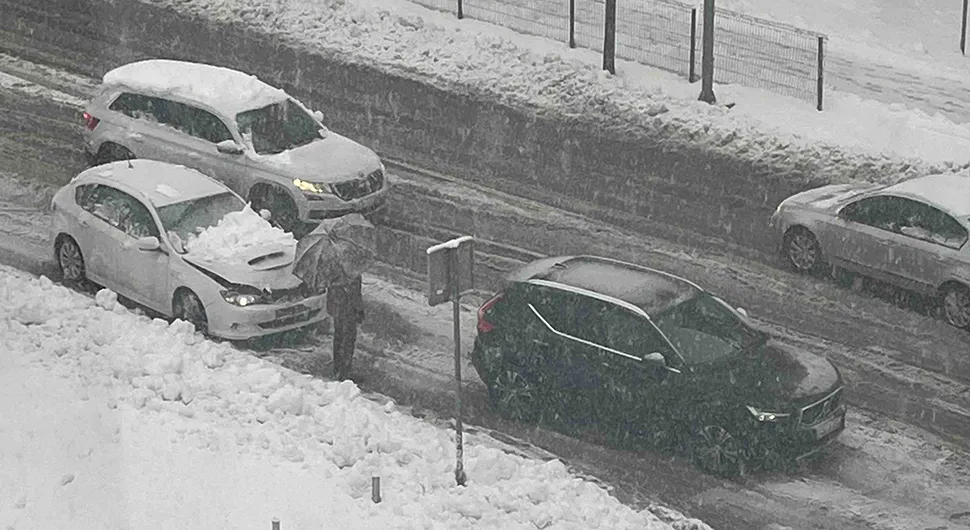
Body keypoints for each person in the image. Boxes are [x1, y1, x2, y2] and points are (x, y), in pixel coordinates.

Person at [327, 274, 365, 381]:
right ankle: (344, 373)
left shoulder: (332, 266)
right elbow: (354, 294)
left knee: (339, 336)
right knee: (348, 339)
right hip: (348, 309)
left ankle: (337, 368)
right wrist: (359, 309)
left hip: (336, 306)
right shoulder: (352, 269)